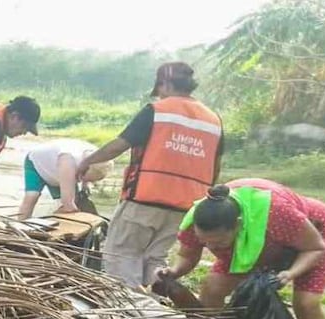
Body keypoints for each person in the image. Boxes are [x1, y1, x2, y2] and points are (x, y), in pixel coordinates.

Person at [76, 62, 224, 288]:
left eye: (160, 89)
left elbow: (119, 145)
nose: (160, 94)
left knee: (122, 255)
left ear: (164, 83)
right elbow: (216, 165)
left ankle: (130, 313)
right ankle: (155, 310)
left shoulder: (157, 111)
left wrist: (87, 161)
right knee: (155, 258)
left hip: (145, 199)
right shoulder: (213, 120)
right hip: (185, 206)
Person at [158, 179, 325, 319]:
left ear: (238, 224)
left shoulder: (277, 214)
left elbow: (316, 248)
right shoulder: (198, 220)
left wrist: (290, 274)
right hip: (254, 246)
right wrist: (174, 272)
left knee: (306, 303)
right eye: (205, 242)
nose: (213, 247)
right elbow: (187, 256)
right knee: (212, 288)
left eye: (218, 242)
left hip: (314, 236)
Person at [17, 139, 113, 219]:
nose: (81, 180)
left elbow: (88, 172)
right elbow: (68, 203)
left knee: (76, 199)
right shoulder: (68, 160)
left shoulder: (97, 156)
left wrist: (85, 185)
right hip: (36, 163)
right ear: (83, 169)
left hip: (58, 166)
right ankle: (21, 224)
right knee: (32, 196)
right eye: (83, 179)